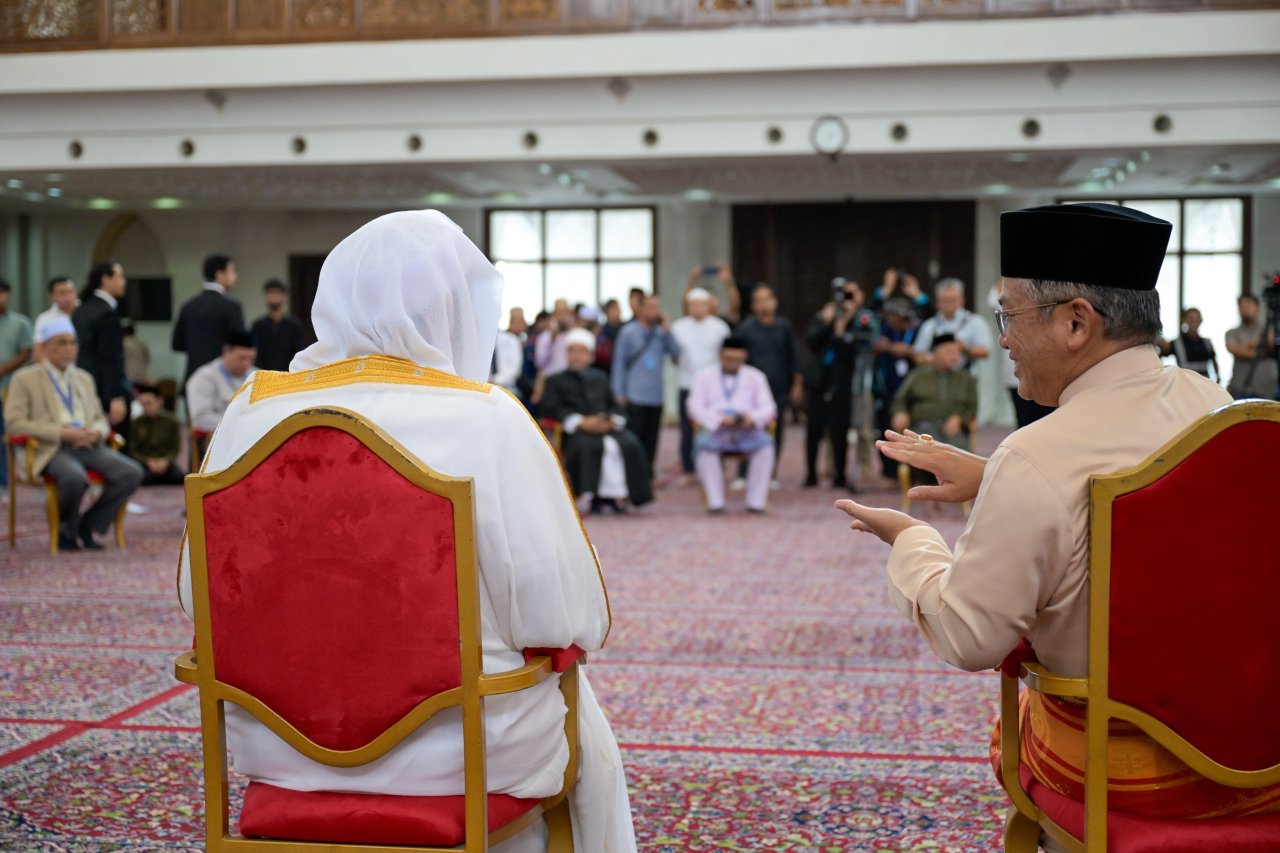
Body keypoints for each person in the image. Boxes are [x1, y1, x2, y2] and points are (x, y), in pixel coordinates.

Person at [176, 210, 635, 853]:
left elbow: (196, 595)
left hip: (280, 748)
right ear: (452, 311)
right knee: (575, 705)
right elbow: (561, 617)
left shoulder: (251, 411)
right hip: (462, 753)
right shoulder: (487, 416)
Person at [836, 203, 1261, 828]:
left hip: (1121, 771)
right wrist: (996, 479)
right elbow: (1154, 508)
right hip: (1251, 747)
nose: (1001, 339)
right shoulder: (1214, 402)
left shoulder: (1037, 455)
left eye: (1008, 315)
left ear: (1075, 323)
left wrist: (912, 540)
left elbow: (970, 637)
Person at [3, 318, 143, 551]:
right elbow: (14, 423)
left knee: (131, 472)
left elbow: (100, 417)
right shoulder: (25, 378)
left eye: (73, 343)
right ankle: (65, 531)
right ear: (45, 346)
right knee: (75, 478)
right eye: (62, 342)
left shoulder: (83, 378)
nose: (69, 348)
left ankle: (88, 525)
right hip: (50, 448)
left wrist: (96, 432)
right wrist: (61, 433)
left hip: (87, 445)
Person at [540, 328, 652, 513]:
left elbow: (613, 405)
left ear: (591, 356)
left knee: (630, 444)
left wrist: (611, 421)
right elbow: (550, 409)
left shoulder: (601, 377)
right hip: (577, 431)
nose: (576, 356)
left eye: (581, 351)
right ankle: (588, 496)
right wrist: (580, 421)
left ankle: (624, 497)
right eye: (572, 351)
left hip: (606, 428)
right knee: (588, 447)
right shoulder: (555, 380)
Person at [686, 337, 777, 513]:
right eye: (729, 358)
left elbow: (769, 406)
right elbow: (693, 406)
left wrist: (752, 417)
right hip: (716, 430)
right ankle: (715, 502)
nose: (733, 362)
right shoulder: (704, 376)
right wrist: (718, 419)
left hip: (747, 430)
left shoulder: (756, 376)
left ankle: (756, 502)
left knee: (766, 447)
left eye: (737, 359)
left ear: (745, 356)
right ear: (720, 355)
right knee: (703, 448)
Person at [804, 280, 875, 490]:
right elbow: (812, 342)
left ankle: (840, 475)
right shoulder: (824, 316)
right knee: (813, 431)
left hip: (843, 384)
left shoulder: (860, 320)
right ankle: (811, 474)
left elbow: (856, 351)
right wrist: (827, 323)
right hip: (819, 383)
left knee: (839, 432)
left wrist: (842, 329)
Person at [735, 284, 803, 480]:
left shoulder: (783, 327)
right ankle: (743, 473)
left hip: (778, 389)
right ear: (753, 305)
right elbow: (737, 358)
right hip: (750, 393)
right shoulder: (746, 329)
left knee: (776, 431)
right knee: (747, 430)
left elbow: (794, 357)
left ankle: (770, 473)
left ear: (774, 302)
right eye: (759, 300)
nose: (764, 304)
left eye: (767, 299)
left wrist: (797, 384)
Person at [611, 294, 680, 468]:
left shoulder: (661, 333)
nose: (654, 311)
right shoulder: (628, 332)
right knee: (635, 437)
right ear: (640, 309)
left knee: (652, 438)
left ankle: (648, 472)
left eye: (657, 307)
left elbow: (676, 354)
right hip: (634, 394)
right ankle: (634, 472)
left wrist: (667, 330)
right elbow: (619, 363)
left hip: (656, 395)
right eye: (650, 307)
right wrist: (618, 391)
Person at [670, 288, 732, 479]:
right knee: (687, 429)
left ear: (708, 306)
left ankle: (717, 465)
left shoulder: (720, 327)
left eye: (700, 304)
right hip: (687, 384)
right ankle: (688, 469)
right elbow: (674, 357)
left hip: (714, 388)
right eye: (693, 305)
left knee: (716, 426)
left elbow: (726, 356)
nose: (697, 308)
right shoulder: (678, 327)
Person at [890, 334, 977, 451]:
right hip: (922, 429)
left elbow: (972, 408)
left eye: (958, 352)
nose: (955, 357)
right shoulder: (918, 376)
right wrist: (901, 413)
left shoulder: (966, 378)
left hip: (952, 431)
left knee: (958, 453)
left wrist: (959, 418)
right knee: (919, 450)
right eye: (949, 352)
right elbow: (900, 401)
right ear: (936, 354)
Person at [72, 260, 130, 434]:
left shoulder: (82, 309)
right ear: (106, 279)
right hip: (104, 393)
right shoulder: (106, 314)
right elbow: (108, 358)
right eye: (120, 277)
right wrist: (115, 396)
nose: (124, 282)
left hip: (83, 388)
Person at [987, 283, 1054, 428]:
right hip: (1015, 375)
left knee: (1047, 422)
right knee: (1024, 422)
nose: (1003, 340)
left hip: (1046, 374)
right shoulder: (1013, 300)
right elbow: (994, 298)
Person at [172, 254, 246, 387]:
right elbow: (240, 346)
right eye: (232, 271)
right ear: (220, 274)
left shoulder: (189, 306)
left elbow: (177, 344)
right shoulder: (232, 307)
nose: (235, 276)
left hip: (193, 378)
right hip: (223, 380)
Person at [872, 299, 921, 477]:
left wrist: (907, 351)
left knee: (910, 430)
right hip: (887, 388)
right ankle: (889, 470)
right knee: (884, 428)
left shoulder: (917, 329)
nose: (890, 319)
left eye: (893, 316)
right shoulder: (886, 329)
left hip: (911, 389)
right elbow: (877, 345)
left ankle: (914, 470)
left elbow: (922, 353)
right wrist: (892, 348)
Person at [912, 278, 992, 374]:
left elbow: (985, 352)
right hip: (936, 376)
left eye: (953, 300)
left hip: (965, 376)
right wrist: (935, 358)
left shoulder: (974, 322)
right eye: (945, 300)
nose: (949, 304)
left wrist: (964, 348)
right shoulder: (930, 325)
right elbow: (917, 355)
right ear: (938, 302)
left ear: (962, 300)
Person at [0, 277, 35, 489]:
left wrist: (4, 368)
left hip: (9, 389)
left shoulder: (20, 323)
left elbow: (26, 352)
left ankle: (4, 483)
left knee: (6, 437)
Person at [185, 331, 257, 433]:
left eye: (251, 359)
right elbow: (200, 419)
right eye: (242, 358)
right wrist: (243, 424)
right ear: (226, 351)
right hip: (217, 437)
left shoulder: (258, 376)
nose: (246, 364)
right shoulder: (204, 378)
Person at [128, 383, 184, 485]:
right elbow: (133, 449)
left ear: (159, 401)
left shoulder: (171, 422)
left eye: (149, 403)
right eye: (143, 404)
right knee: (144, 478)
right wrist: (147, 461)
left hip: (165, 462)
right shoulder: (136, 423)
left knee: (181, 478)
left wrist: (165, 461)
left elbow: (175, 448)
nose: (146, 407)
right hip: (145, 462)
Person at [1225, 294, 1276, 400]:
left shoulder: (1270, 329)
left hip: (1267, 391)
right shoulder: (1232, 333)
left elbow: (1272, 348)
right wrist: (1259, 345)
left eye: (1248, 305)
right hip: (1239, 390)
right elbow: (1240, 352)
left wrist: (1247, 346)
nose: (1245, 309)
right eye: (1241, 306)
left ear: (1257, 308)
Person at [250, 279, 306, 372]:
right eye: (270, 293)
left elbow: (299, 354)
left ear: (285, 296)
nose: (273, 296)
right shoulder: (257, 326)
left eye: (276, 293)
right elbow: (254, 355)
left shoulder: (295, 326)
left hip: (289, 375)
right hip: (264, 375)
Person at [33, 275, 78, 361]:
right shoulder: (45, 319)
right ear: (51, 296)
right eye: (62, 293)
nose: (68, 297)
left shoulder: (87, 312)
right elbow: (39, 350)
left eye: (70, 292)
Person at [1169, 306, 1220, 382]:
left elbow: (1214, 361)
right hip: (1185, 382)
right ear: (1184, 320)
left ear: (1201, 320)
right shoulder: (1176, 343)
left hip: (1205, 382)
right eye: (1190, 318)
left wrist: (1218, 378)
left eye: (1196, 318)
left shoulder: (1207, 342)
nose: (1194, 321)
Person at [491, 308, 526, 394]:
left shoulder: (511, 340)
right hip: (482, 389)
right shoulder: (478, 342)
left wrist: (495, 381)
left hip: (508, 390)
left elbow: (515, 370)